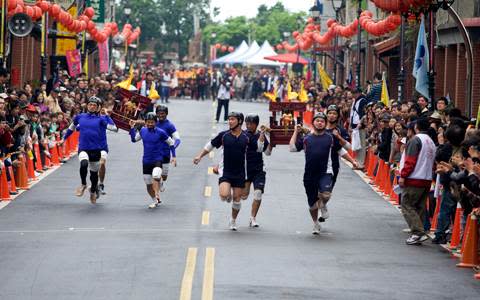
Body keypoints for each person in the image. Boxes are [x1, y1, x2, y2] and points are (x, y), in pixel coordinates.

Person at [289, 113, 345, 235]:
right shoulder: (306, 138)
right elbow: (292, 148)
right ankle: (315, 223)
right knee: (312, 205)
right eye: (317, 121)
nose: (320, 123)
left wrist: (353, 161)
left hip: (325, 172)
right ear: (313, 123)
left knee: (326, 195)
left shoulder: (330, 138)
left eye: (322, 121)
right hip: (309, 175)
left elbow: (341, 149)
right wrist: (295, 132)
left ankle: (323, 205)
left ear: (325, 124)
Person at [194, 112, 248, 231]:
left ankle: (233, 220)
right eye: (229, 119)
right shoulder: (224, 135)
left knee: (237, 200)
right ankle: (227, 194)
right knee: (224, 195)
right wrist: (199, 156)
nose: (230, 121)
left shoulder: (246, 137)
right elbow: (210, 145)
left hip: (240, 172)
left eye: (232, 119)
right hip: (226, 171)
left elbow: (258, 149)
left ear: (239, 121)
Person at [62, 96, 109, 204]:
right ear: (87, 105)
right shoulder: (80, 117)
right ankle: (83, 184)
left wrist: (106, 116)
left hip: (96, 149)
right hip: (83, 148)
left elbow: (113, 128)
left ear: (98, 107)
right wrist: (64, 139)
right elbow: (71, 128)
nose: (92, 107)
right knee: (83, 164)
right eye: (90, 104)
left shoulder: (101, 119)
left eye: (94, 105)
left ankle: (93, 191)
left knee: (93, 176)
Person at [399, 117, 436, 245]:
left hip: (414, 178)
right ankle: (419, 233)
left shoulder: (415, 140)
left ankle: (417, 232)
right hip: (426, 178)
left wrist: (403, 175)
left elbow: (410, 160)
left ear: (416, 127)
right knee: (419, 207)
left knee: (407, 204)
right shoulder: (431, 141)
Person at [130, 112, 177, 209]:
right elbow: (134, 140)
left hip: (158, 159)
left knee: (156, 175)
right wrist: (131, 129)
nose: (150, 124)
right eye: (148, 122)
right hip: (146, 161)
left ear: (155, 122)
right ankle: (154, 200)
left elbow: (171, 143)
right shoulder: (142, 131)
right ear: (145, 122)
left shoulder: (161, 132)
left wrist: (174, 156)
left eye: (152, 122)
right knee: (148, 183)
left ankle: (157, 191)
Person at [324, 105, 359, 222]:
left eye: (334, 113)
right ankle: (321, 208)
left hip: (332, 165)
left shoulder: (340, 130)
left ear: (337, 116)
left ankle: (323, 206)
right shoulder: (320, 126)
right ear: (326, 114)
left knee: (327, 192)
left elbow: (346, 147)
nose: (332, 115)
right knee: (317, 190)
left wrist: (338, 137)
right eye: (330, 113)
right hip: (317, 164)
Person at [241, 114, 272, 227]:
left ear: (256, 124)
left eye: (251, 123)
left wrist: (272, 143)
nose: (248, 125)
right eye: (247, 123)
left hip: (259, 169)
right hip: (245, 169)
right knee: (244, 196)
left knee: (258, 193)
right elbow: (259, 147)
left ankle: (253, 218)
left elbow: (267, 153)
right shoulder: (243, 135)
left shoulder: (261, 134)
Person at [155, 105, 181, 191]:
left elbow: (177, 139)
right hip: (155, 153)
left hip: (166, 153)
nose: (161, 115)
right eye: (159, 113)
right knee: (156, 173)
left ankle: (162, 181)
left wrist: (173, 147)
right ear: (156, 114)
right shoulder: (153, 123)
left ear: (166, 114)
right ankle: (156, 194)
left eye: (163, 114)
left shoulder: (170, 125)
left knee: (164, 176)